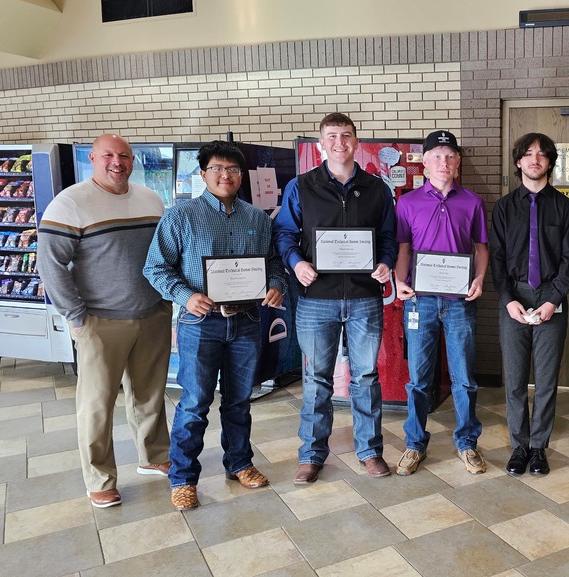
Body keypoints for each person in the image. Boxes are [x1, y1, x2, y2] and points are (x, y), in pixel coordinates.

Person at [143, 141, 286, 510]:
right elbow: (155, 268)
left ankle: (239, 463)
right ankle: (183, 477)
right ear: (203, 173)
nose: (226, 175)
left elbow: (273, 262)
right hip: (200, 322)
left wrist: (275, 284)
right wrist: (186, 296)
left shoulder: (257, 218)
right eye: (218, 169)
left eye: (233, 169)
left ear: (241, 175)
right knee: (194, 403)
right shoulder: (180, 216)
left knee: (239, 401)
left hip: (247, 322)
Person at [37, 134, 172, 508]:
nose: (117, 162)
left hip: (152, 313)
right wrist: (76, 316)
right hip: (100, 320)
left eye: (124, 155)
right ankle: (100, 479)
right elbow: (50, 264)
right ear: (93, 159)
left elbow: (164, 253)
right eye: (109, 155)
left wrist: (167, 301)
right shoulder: (70, 203)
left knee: (150, 394)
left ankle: (154, 456)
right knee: (97, 405)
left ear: (133, 160)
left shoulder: (150, 199)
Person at [273, 112, 397, 483]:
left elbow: (388, 237)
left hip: (364, 298)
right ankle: (311, 455)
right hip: (317, 299)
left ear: (356, 142)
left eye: (346, 135)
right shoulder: (301, 186)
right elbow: (284, 234)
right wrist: (296, 264)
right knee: (316, 379)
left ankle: (370, 452)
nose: (339, 142)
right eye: (331, 136)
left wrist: (386, 263)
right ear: (320, 144)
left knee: (366, 378)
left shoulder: (377, 188)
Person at [393, 130, 489, 476]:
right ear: (425, 161)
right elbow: (404, 250)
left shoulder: (473, 202)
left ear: (458, 161)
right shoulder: (407, 203)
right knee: (418, 379)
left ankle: (467, 443)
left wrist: (479, 279)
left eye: (450, 156)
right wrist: (399, 282)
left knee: (464, 379)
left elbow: (481, 248)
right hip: (420, 302)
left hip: (460, 302)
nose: (443, 162)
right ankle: (414, 443)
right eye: (437, 155)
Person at [490, 133, 569, 476]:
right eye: (528, 154)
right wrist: (507, 299)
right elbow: (497, 258)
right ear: (518, 161)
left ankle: (539, 447)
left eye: (542, 154)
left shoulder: (564, 207)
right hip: (515, 296)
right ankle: (520, 445)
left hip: (550, 297)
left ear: (550, 162)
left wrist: (554, 299)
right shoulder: (504, 208)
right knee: (514, 379)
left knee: (546, 379)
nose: (535, 159)